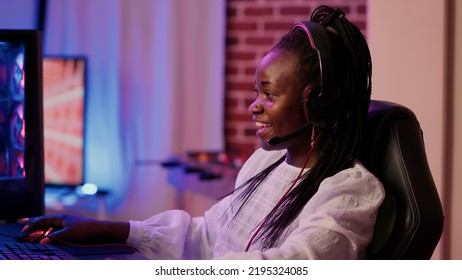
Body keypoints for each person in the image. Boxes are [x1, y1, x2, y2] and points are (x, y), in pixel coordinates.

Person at [21, 5, 385, 260]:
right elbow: (208, 236)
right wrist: (110, 230)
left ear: (316, 103)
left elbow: (295, 263)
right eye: (257, 92)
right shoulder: (264, 162)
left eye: (269, 94)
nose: (253, 106)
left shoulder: (350, 190)